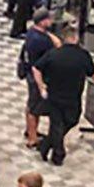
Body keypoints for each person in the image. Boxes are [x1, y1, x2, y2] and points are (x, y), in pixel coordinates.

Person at [32, 22, 94, 166]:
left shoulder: (53, 54)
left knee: (56, 124)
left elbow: (36, 68)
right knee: (70, 121)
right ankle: (58, 154)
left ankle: (46, 144)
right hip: (72, 98)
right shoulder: (83, 56)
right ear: (76, 38)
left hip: (54, 97)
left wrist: (41, 86)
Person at [16, 10, 56, 149]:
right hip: (37, 78)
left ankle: (30, 131)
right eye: (49, 19)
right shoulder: (42, 41)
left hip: (30, 74)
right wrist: (42, 85)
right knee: (34, 108)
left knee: (33, 105)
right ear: (43, 21)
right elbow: (58, 47)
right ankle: (32, 139)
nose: (51, 21)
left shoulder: (31, 33)